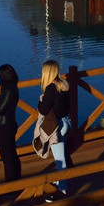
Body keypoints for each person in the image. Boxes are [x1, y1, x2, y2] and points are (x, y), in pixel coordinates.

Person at [37, 60, 73, 198]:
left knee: (60, 160)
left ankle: (62, 191)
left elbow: (44, 109)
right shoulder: (64, 85)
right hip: (66, 122)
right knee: (62, 155)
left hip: (56, 126)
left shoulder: (51, 88)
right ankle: (59, 182)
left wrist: (41, 100)